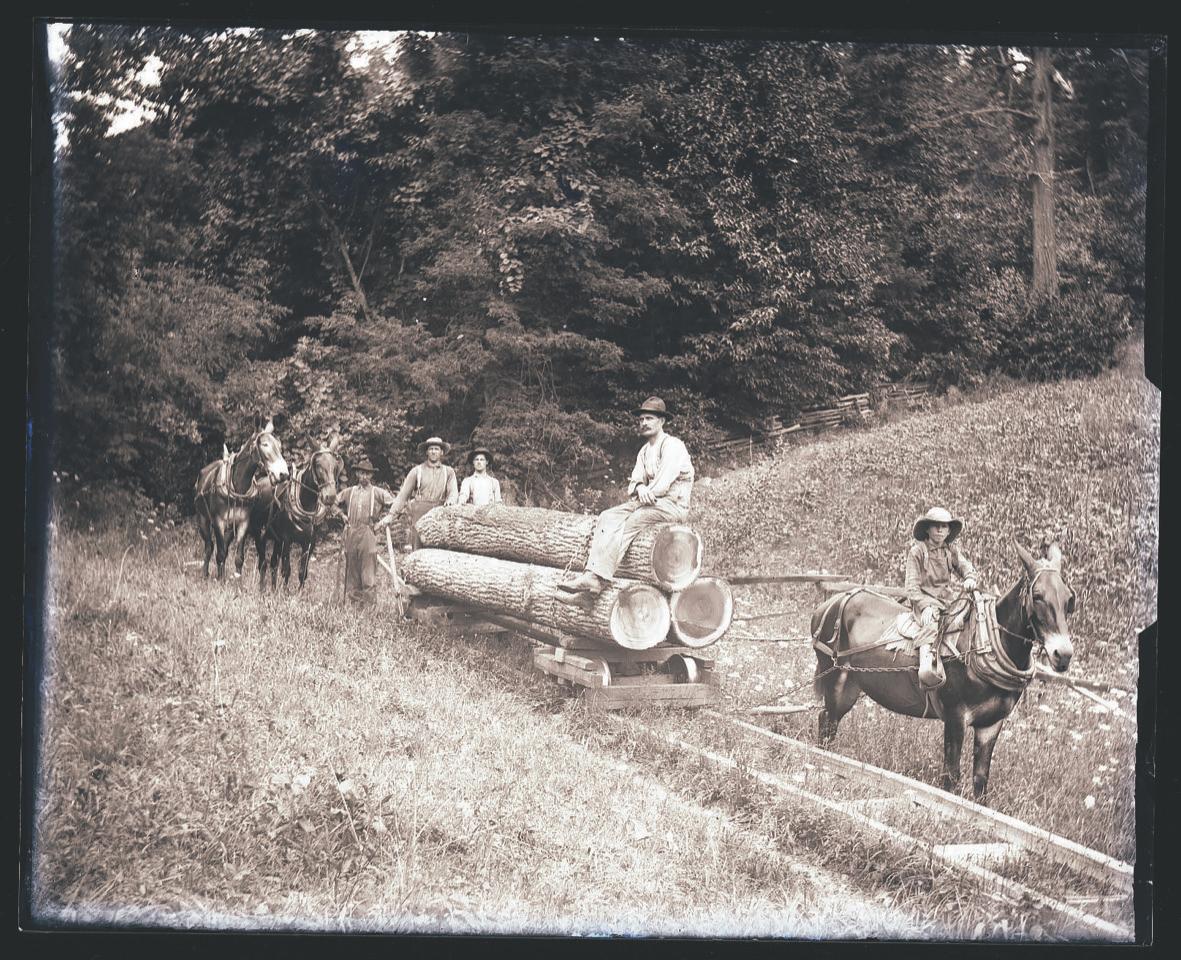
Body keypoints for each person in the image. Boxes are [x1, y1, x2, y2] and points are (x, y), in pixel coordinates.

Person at [556, 397, 693, 603]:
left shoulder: (673, 446)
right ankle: (589, 578)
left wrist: (647, 491)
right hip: (650, 501)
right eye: (641, 419)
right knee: (608, 516)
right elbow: (634, 483)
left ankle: (597, 582)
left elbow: (664, 484)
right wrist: (640, 487)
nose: (644, 423)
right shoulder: (645, 451)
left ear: (662, 421)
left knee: (633, 521)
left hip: (673, 505)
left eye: (650, 418)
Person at [905, 506, 978, 688]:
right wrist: (925, 606)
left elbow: (965, 566)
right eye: (936, 526)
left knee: (972, 615)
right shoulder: (917, 552)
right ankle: (926, 668)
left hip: (947, 600)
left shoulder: (950, 550)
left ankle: (966, 664)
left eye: (944, 527)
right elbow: (912, 588)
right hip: (925, 601)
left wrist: (969, 577)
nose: (940, 530)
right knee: (930, 623)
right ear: (927, 529)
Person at [335, 457, 396, 605]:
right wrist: (341, 515)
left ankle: (369, 609)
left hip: (368, 533)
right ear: (357, 474)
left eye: (367, 474)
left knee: (368, 573)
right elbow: (331, 502)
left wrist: (383, 522)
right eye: (361, 473)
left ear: (371, 476)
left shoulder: (377, 492)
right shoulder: (349, 492)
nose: (364, 477)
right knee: (352, 571)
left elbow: (396, 504)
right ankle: (355, 607)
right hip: (351, 532)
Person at [391, 436, 459, 550]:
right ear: (427, 452)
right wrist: (392, 514)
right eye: (431, 449)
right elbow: (403, 495)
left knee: (438, 548)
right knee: (418, 547)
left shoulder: (449, 472)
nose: (433, 451)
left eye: (436, 449)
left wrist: (451, 501)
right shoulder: (417, 471)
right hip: (420, 513)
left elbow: (453, 491)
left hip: (439, 512)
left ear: (441, 452)